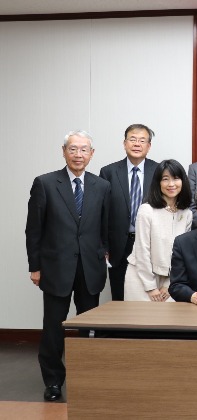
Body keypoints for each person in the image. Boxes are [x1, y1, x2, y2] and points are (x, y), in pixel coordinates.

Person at [25, 130, 110, 401]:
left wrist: (103, 253)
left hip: (90, 268)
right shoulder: (46, 183)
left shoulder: (102, 186)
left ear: (92, 154)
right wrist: (35, 266)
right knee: (53, 328)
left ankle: (89, 377)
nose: (78, 154)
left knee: (90, 329)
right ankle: (53, 381)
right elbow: (34, 230)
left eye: (84, 149)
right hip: (55, 269)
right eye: (73, 149)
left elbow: (105, 227)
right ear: (63, 151)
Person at [99, 124, 158, 301]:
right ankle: (120, 330)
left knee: (150, 293)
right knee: (119, 294)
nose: (137, 144)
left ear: (149, 146)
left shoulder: (159, 171)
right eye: (132, 139)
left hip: (150, 242)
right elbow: (101, 213)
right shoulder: (108, 172)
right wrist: (104, 246)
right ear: (124, 143)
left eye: (142, 140)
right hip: (118, 245)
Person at [123, 160, 193, 302]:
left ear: (183, 181)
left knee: (168, 322)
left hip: (169, 281)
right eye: (165, 179)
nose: (171, 184)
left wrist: (169, 284)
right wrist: (150, 286)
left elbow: (182, 254)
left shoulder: (186, 213)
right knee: (141, 322)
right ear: (158, 183)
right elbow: (142, 250)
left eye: (176, 178)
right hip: (141, 277)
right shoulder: (146, 210)